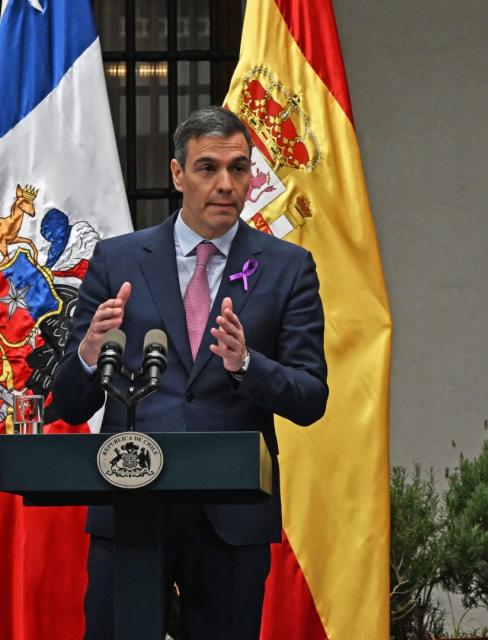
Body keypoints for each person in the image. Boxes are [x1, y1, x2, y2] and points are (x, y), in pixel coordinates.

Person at [52, 106, 328, 640]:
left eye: (239, 169)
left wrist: (247, 364)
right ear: (177, 174)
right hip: (131, 507)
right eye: (207, 168)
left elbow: (310, 396)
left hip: (232, 518)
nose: (226, 184)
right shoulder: (118, 261)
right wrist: (87, 352)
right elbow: (68, 403)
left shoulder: (287, 268)